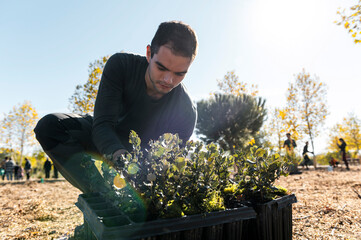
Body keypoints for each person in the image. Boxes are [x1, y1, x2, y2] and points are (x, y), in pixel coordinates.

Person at [34, 21, 198, 193]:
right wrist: (122, 162)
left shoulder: (185, 111)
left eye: (179, 73)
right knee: (50, 126)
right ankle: (100, 193)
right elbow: (102, 125)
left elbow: (165, 163)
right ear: (149, 53)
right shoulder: (121, 65)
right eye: (161, 68)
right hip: (106, 135)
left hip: (143, 158)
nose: (168, 80)